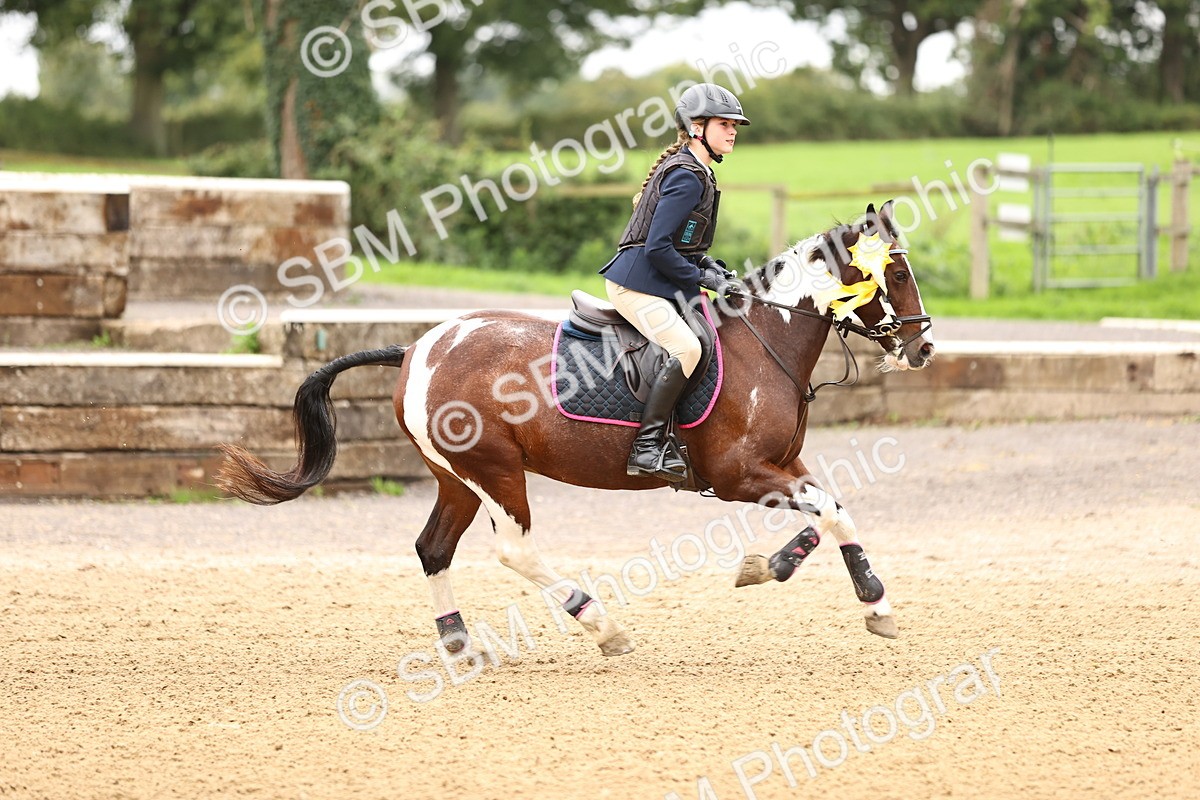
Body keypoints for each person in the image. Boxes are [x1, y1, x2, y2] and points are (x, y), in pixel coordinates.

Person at [599, 82, 748, 483]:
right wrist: (701, 277)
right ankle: (647, 447)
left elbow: (684, 245)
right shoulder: (687, 175)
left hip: (657, 280)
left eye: (735, 125)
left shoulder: (699, 171)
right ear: (697, 127)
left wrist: (712, 269)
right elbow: (657, 248)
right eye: (724, 124)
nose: (732, 131)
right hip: (636, 284)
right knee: (687, 348)